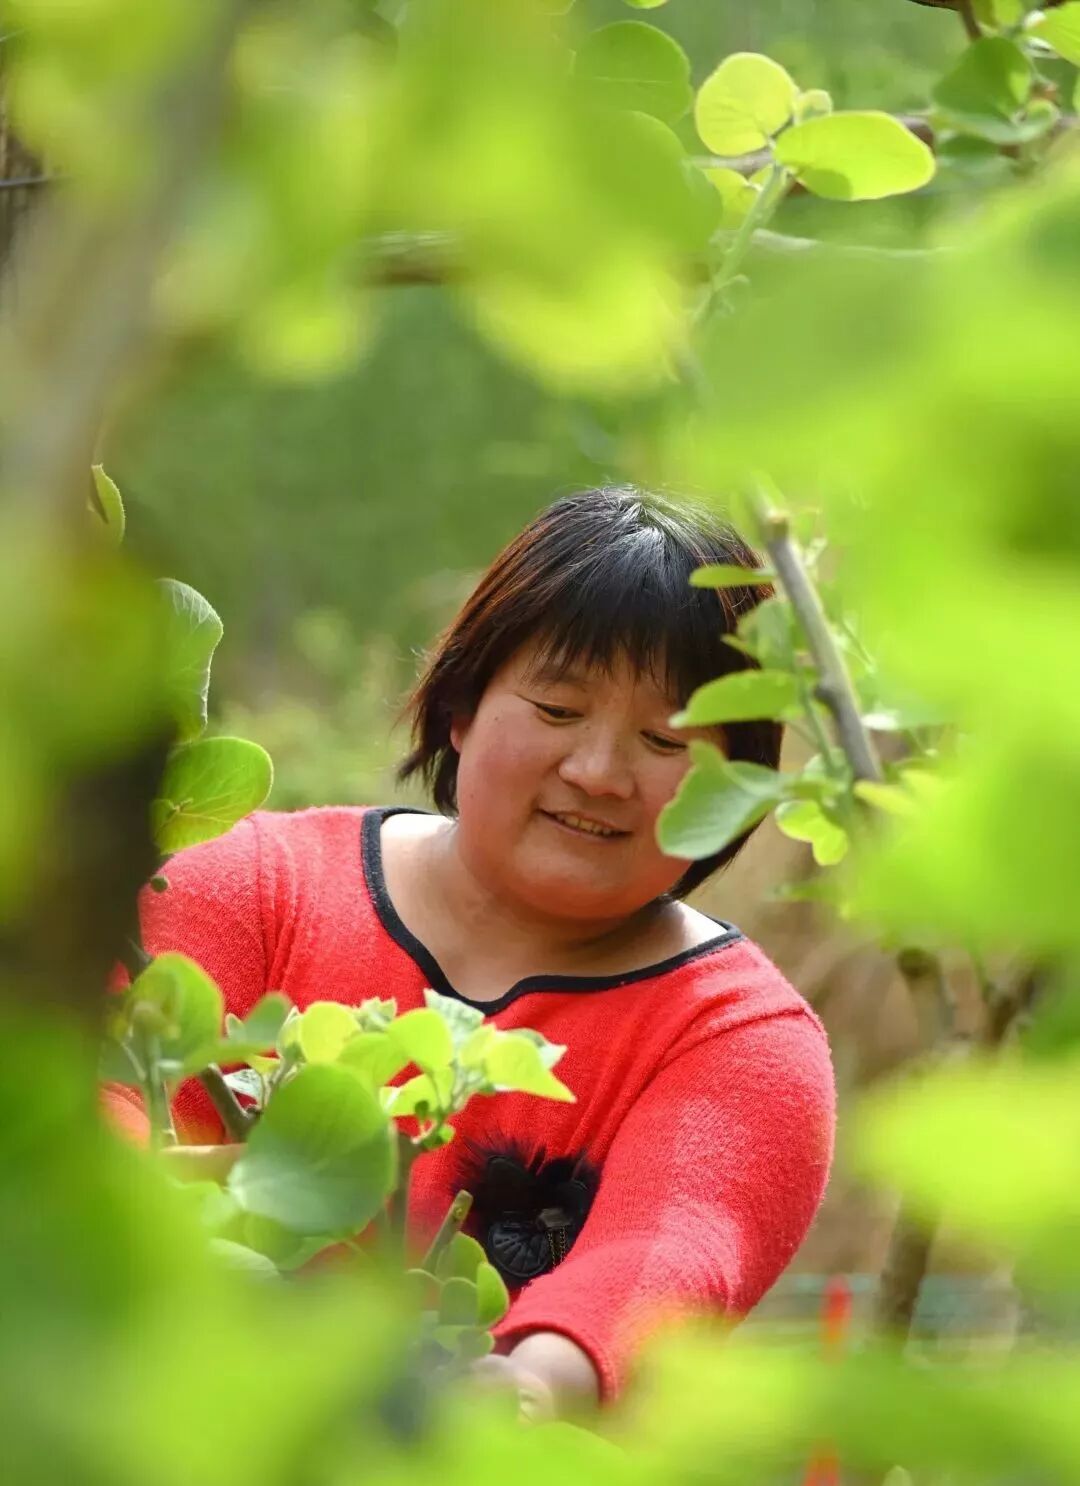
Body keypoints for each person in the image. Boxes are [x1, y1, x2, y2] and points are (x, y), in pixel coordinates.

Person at [104, 485, 835, 1421]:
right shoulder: (246, 884)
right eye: (558, 709)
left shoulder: (742, 1040)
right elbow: (94, 1111)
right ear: (462, 706)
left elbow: (667, 1253)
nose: (598, 773)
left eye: (663, 739)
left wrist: (522, 1392)